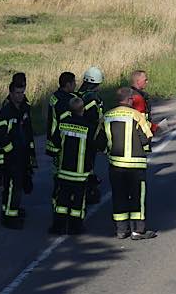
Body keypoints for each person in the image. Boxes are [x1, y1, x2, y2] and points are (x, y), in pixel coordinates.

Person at [104, 87, 157, 240]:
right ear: (130, 100)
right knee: (137, 197)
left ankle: (121, 230)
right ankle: (138, 230)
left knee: (118, 196)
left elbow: (100, 141)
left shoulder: (108, 116)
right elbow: (146, 137)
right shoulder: (136, 115)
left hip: (116, 165)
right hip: (135, 165)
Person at [49, 97, 106, 235]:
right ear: (83, 110)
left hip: (64, 172)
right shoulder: (89, 128)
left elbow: (54, 145)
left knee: (61, 201)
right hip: (80, 174)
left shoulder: (62, 125)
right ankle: (75, 227)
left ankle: (59, 226)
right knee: (78, 202)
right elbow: (100, 146)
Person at [0, 79, 36, 229]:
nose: (20, 95)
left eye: (22, 92)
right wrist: (11, 151)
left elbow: (27, 132)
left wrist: (30, 152)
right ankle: (10, 218)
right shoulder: (6, 112)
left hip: (21, 155)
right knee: (13, 187)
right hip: (11, 157)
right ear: (10, 93)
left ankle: (9, 211)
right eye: (17, 93)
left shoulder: (23, 109)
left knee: (16, 186)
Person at [77, 66, 105, 204]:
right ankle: (88, 191)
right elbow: (95, 119)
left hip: (80, 134)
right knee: (88, 164)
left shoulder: (78, 94)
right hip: (90, 136)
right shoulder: (93, 99)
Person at [46, 72, 77, 158]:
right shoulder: (67, 101)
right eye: (74, 82)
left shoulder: (55, 96)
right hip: (59, 141)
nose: (75, 85)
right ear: (68, 84)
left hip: (52, 138)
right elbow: (66, 123)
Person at [130, 70, 159, 134]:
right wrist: (154, 127)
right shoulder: (137, 98)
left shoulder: (129, 94)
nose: (147, 82)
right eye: (145, 80)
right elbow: (141, 120)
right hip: (140, 133)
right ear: (138, 81)